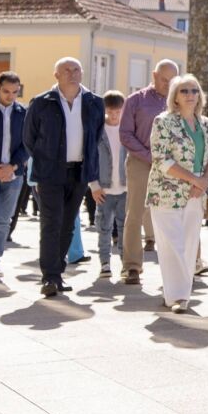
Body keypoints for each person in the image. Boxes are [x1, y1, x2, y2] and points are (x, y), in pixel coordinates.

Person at [25, 57, 109, 298]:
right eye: (66, 70)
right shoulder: (42, 102)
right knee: (51, 223)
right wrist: (45, 162)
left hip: (79, 172)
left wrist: (91, 174)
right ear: (56, 75)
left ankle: (57, 272)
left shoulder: (94, 102)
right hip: (50, 172)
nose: (72, 74)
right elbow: (29, 139)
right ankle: (50, 277)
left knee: (68, 224)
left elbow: (95, 137)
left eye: (76, 70)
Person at [146, 74, 208, 313]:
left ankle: (181, 294)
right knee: (171, 244)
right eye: (184, 91)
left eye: (194, 90)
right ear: (175, 97)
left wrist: (204, 181)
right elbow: (161, 159)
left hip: (197, 192)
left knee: (188, 244)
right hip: (167, 191)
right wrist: (194, 179)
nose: (190, 95)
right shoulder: (163, 122)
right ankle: (176, 296)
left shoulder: (206, 124)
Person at [119, 61, 178, 284]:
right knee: (135, 213)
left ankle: (186, 265)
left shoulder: (180, 101)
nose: (168, 84)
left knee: (176, 215)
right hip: (141, 163)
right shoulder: (135, 100)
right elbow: (125, 134)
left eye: (173, 80)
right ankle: (132, 266)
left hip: (174, 165)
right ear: (154, 75)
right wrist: (149, 156)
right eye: (164, 79)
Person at [93, 91, 129, 276]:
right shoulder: (98, 131)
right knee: (104, 227)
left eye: (118, 112)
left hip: (125, 188)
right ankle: (105, 262)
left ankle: (125, 262)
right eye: (110, 112)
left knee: (125, 228)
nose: (114, 116)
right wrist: (94, 185)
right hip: (104, 189)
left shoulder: (127, 130)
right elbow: (90, 159)